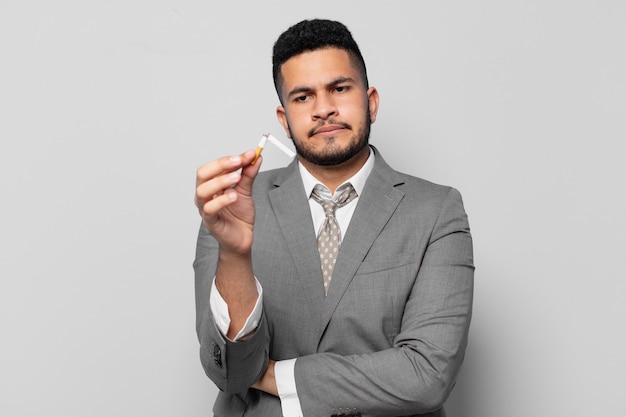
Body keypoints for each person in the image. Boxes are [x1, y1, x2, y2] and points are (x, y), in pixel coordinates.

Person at [194, 18, 474, 417]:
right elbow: (230, 374)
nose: (324, 109)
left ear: (371, 101)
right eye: (303, 97)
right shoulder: (230, 209)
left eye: (339, 89)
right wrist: (236, 254)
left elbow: (428, 375)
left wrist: (281, 378)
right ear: (283, 118)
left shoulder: (436, 210)